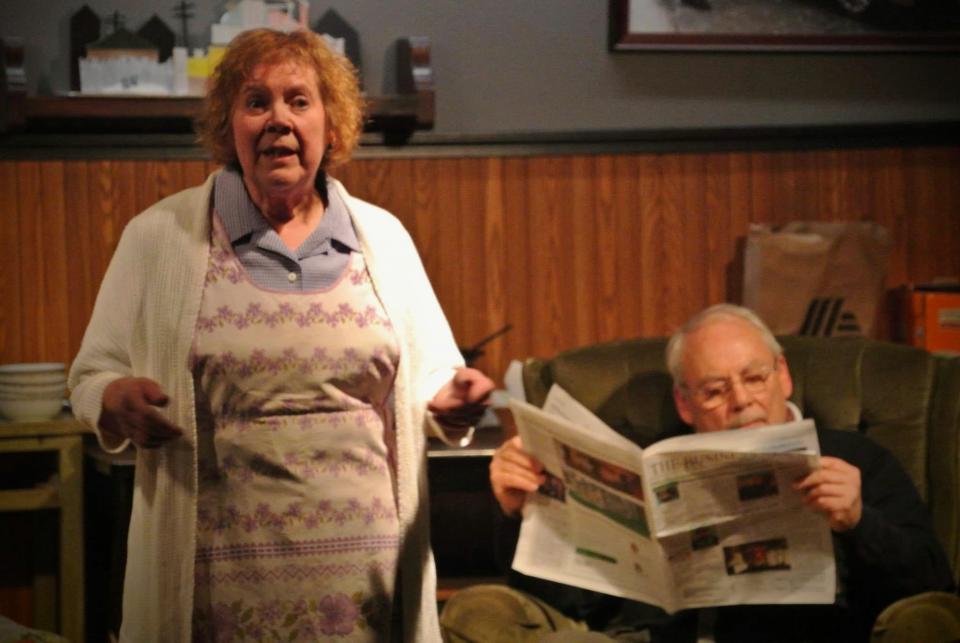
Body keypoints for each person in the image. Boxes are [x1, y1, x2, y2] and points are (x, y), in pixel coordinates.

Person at [69, 28, 493, 642]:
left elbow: (431, 377)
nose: (278, 120)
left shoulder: (384, 239)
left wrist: (452, 399)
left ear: (331, 122)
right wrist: (114, 400)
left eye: (299, 100)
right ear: (228, 125)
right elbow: (90, 375)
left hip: (368, 589)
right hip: (217, 589)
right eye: (255, 102)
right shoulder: (158, 238)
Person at [442, 304, 954, 643]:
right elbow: (560, 601)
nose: (742, 401)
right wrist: (518, 514)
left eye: (755, 378)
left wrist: (860, 521)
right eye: (714, 390)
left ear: (783, 376)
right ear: (685, 404)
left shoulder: (854, 457)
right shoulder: (649, 470)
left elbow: (933, 583)